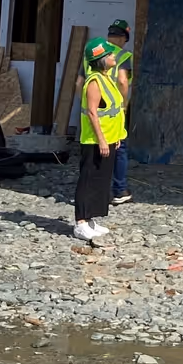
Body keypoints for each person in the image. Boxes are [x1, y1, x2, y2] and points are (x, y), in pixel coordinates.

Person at [73, 38, 125, 243]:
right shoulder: (94, 81)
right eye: (110, 55)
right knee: (88, 179)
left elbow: (113, 110)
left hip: (109, 138)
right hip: (94, 141)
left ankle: (91, 218)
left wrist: (117, 136)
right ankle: (81, 222)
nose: (113, 57)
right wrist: (102, 140)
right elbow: (93, 114)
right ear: (101, 59)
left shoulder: (105, 78)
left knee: (101, 180)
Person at [106, 20, 134, 206]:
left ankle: (95, 190)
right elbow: (123, 82)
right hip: (114, 110)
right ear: (123, 38)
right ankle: (119, 190)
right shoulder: (123, 55)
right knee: (119, 149)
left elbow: (78, 83)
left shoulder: (92, 52)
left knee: (95, 149)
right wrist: (123, 105)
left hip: (92, 109)